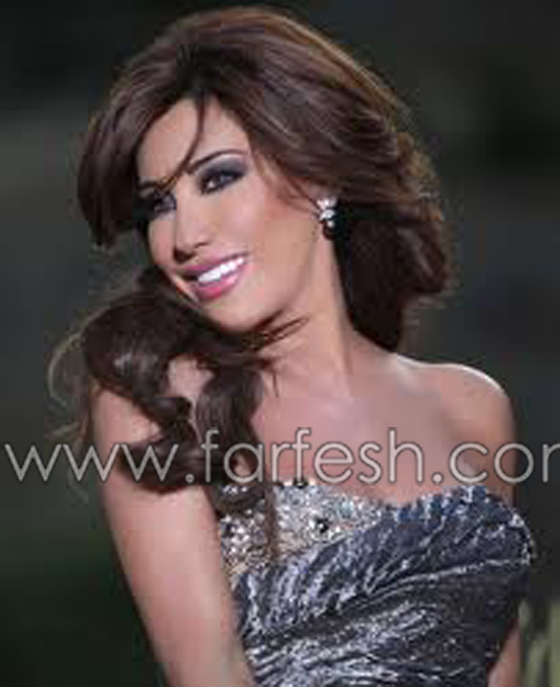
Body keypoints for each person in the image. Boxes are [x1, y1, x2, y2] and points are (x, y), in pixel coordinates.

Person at [53, 5, 537, 686]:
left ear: (319, 174)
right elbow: (208, 670)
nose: (182, 235)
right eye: (158, 204)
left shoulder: (473, 407)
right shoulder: (160, 400)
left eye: (218, 177)